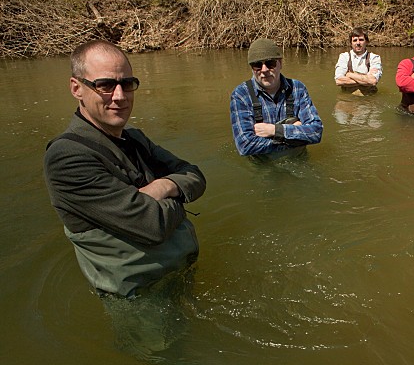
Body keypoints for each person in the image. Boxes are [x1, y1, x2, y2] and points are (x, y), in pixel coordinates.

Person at [44, 40, 206, 299]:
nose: (119, 96)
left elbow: (195, 175)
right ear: (77, 88)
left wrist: (162, 186)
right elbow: (153, 225)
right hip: (140, 298)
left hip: (177, 273)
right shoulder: (67, 157)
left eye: (127, 84)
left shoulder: (134, 137)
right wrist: (177, 198)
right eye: (105, 85)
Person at [230, 38, 323, 157]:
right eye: (257, 65)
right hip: (262, 167)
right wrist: (294, 134)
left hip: (298, 160)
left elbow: (316, 132)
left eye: (270, 63)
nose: (264, 70)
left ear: (280, 63)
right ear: (252, 68)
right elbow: (245, 146)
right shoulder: (241, 95)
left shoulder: (297, 89)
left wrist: (274, 130)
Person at [334, 27, 382, 95]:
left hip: (369, 98)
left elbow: (373, 81)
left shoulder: (374, 58)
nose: (358, 43)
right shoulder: (344, 57)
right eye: (355, 40)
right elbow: (339, 81)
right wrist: (366, 79)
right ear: (351, 43)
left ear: (367, 42)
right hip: (348, 98)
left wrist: (349, 74)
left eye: (361, 40)